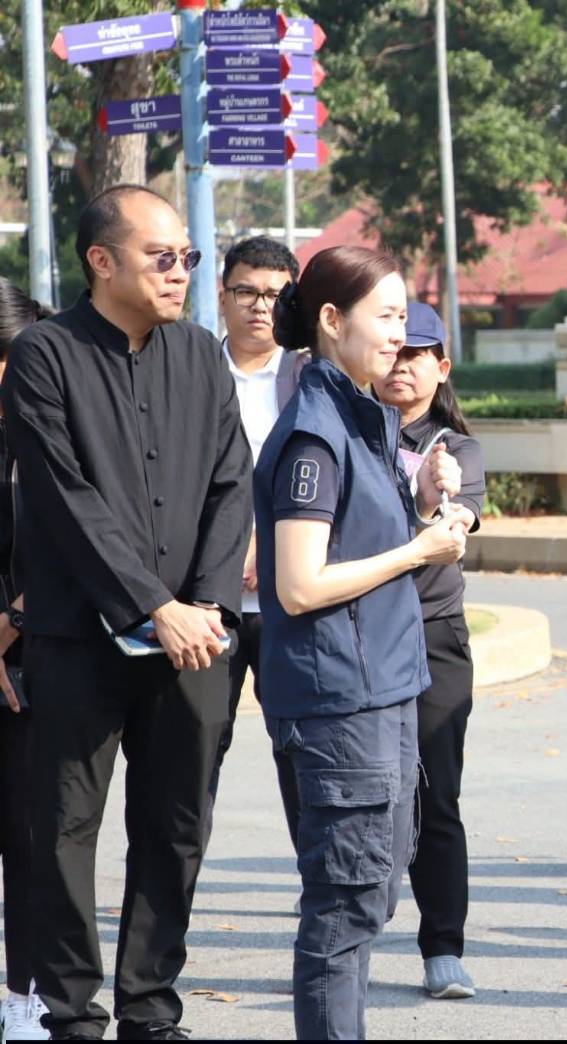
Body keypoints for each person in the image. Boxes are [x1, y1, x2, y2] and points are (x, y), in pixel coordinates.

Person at [0, 185, 252, 1040]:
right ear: (101, 261)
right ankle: (71, 1013)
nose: (182, 273)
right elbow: (66, 499)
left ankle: (151, 1007)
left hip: (195, 641)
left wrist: (206, 604)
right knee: (64, 830)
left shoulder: (203, 355)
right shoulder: (44, 355)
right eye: (162, 257)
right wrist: (153, 605)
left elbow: (231, 482)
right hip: (78, 637)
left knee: (176, 826)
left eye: (188, 258)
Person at [255, 246, 467, 1040]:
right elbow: (299, 584)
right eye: (385, 316)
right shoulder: (315, 433)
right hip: (341, 699)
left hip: (387, 685)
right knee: (345, 905)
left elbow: (359, 533)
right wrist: (418, 551)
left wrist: (421, 499)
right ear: (331, 320)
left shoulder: (360, 413)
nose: (399, 333)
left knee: (375, 885)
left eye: (403, 315)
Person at [370, 300, 487, 1000]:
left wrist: (445, 505)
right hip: (357, 635)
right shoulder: (344, 431)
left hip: (433, 636)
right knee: (363, 794)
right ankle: (349, 928)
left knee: (435, 795)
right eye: (392, 351)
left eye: (416, 355)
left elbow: (459, 510)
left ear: (441, 367)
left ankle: (443, 947)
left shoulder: (455, 447)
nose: (401, 366)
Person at [210, 235, 307, 846]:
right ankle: (170, 890)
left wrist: (265, 546)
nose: (260, 306)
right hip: (205, 608)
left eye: (275, 294)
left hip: (287, 607)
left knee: (301, 755)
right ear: (221, 296)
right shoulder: (189, 374)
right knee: (193, 759)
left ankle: (319, 883)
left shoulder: (312, 379)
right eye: (246, 291)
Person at [0, 278, 52, 1042]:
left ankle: (25, 998)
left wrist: (8, 630)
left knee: (32, 841)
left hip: (33, 659)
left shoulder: (47, 434)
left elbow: (71, 548)